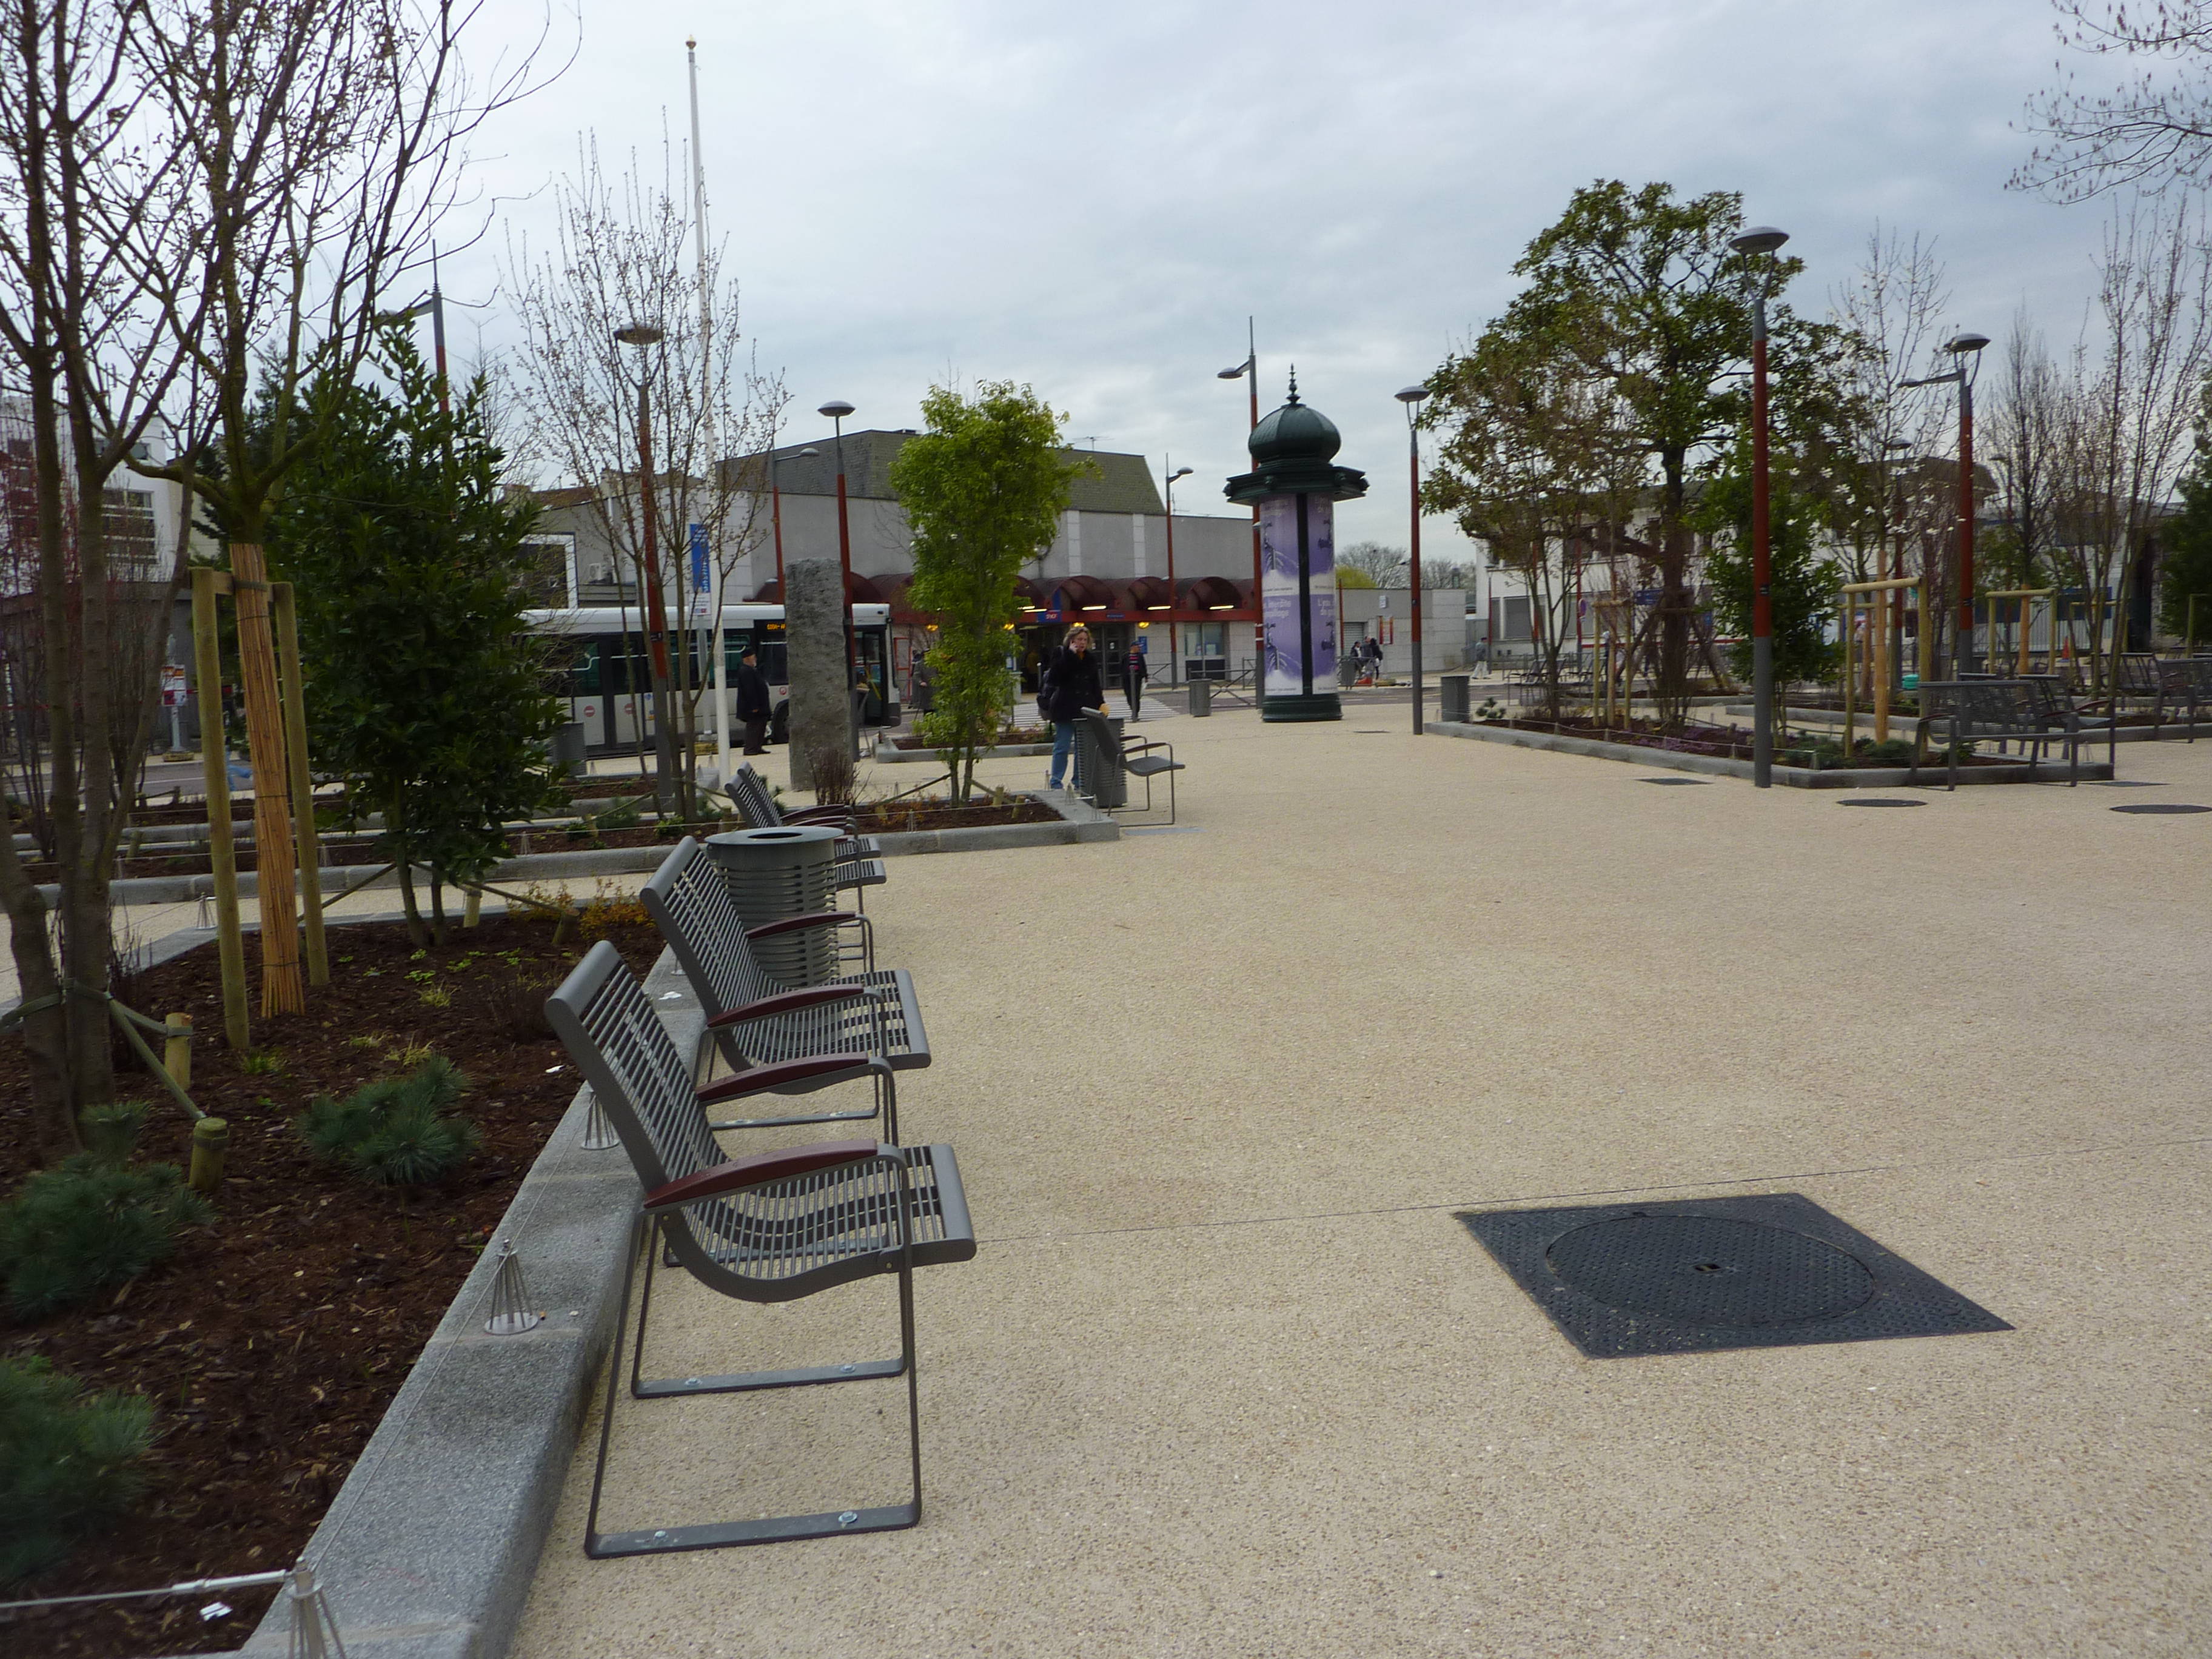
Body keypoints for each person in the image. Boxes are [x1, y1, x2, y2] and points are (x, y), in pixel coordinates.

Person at [1041, 625, 1105, 790]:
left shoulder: (1090, 658)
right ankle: (1056, 781)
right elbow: (1055, 677)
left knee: (1081, 748)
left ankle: (1078, 781)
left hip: (1085, 708)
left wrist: (1101, 703)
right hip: (1065, 708)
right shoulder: (1061, 654)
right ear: (1071, 640)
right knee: (1062, 747)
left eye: (1085, 640)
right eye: (1079, 639)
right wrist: (1070, 655)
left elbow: (1095, 684)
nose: (1082, 643)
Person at [734, 645, 772, 755]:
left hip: (761, 706)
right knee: (754, 728)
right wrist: (754, 706)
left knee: (760, 727)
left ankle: (757, 747)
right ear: (747, 659)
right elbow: (749, 690)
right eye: (753, 657)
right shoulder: (745, 671)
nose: (755, 659)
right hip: (753, 707)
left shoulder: (751, 670)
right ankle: (750, 748)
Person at [1124, 637, 1148, 720]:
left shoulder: (1140, 656)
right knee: (1129, 695)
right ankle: (1133, 709)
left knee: (1137, 696)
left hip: (1137, 678)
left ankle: (1136, 713)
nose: (1139, 648)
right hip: (1128, 679)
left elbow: (1143, 666)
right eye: (1138, 647)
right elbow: (1122, 666)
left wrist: (1145, 676)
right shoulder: (1126, 656)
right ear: (1133, 647)